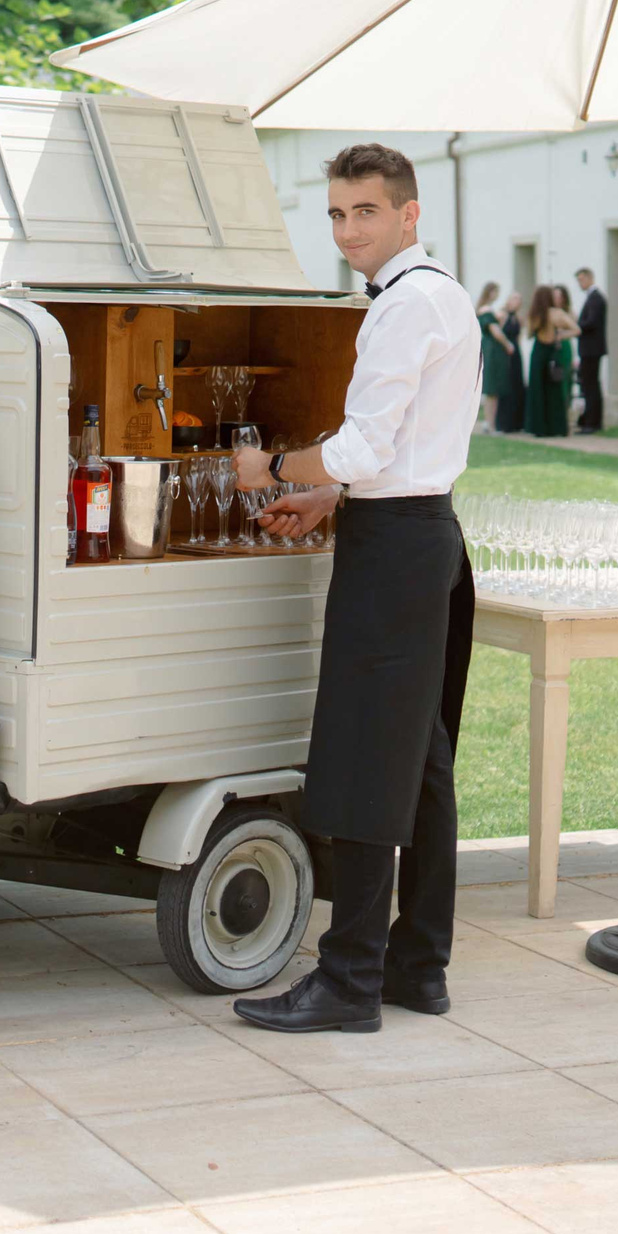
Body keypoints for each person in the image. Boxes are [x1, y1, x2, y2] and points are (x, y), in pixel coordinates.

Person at [228, 143, 476, 1034]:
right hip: (424, 534)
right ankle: (419, 967)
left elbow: (367, 446)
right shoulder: (438, 296)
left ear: (409, 215)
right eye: (335, 214)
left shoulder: (405, 307)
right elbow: (397, 453)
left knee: (374, 756)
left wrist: (272, 466)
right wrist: (329, 495)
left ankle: (348, 981)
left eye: (364, 212)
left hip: (396, 551)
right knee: (423, 763)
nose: (347, 231)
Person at [524, 285, 577, 437]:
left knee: (537, 389)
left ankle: (539, 427)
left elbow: (528, 334)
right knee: (554, 390)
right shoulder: (557, 314)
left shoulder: (535, 315)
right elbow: (576, 329)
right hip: (553, 352)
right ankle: (557, 427)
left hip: (539, 352)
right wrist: (560, 335)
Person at [575, 267, 609, 434]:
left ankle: (592, 422)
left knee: (590, 385)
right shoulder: (592, 298)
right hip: (589, 348)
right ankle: (589, 420)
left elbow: (591, 323)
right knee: (589, 384)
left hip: (592, 349)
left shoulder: (596, 298)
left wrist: (575, 325)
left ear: (589, 278)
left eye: (581, 280)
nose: (579, 283)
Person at [474, 282, 511, 433]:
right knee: (492, 389)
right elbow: (495, 330)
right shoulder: (487, 311)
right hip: (492, 350)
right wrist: (507, 344)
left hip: (489, 348)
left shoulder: (486, 310)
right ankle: (490, 424)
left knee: (491, 390)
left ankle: (489, 423)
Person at [492, 292, 526, 434]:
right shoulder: (501, 315)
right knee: (506, 384)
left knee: (517, 384)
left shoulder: (518, 318)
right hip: (505, 353)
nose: (516, 303)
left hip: (516, 353)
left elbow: (519, 336)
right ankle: (504, 423)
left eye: (519, 300)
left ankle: (517, 422)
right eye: (514, 299)